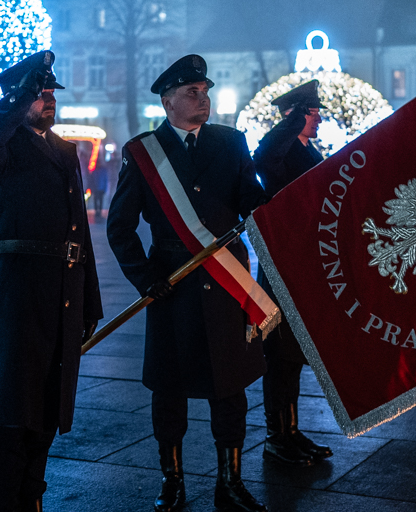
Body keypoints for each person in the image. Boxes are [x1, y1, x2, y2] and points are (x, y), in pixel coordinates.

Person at [108, 54, 269, 512]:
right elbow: (119, 227)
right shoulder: (143, 153)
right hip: (172, 287)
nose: (203, 99)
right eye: (192, 93)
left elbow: (251, 202)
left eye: (205, 92)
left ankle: (230, 482)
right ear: (168, 101)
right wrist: (145, 278)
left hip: (226, 284)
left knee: (231, 388)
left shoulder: (231, 142)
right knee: (170, 391)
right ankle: (172, 479)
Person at [0, 50, 103, 512]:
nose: (49, 99)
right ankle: (4, 504)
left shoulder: (63, 151)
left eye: (50, 92)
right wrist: (18, 102)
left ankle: (32, 498)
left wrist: (89, 303)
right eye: (39, 94)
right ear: (17, 100)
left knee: (45, 410)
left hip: (59, 293)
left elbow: (77, 231)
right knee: (9, 414)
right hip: (13, 295)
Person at [251, 80, 333, 468]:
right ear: (295, 115)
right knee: (279, 352)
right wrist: (289, 122)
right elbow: (263, 160)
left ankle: (291, 430)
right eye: (311, 113)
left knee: (295, 352)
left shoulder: (306, 150)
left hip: (303, 261)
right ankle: (275, 436)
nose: (318, 120)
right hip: (281, 264)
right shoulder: (280, 149)